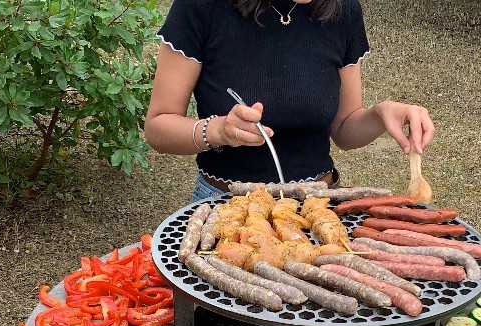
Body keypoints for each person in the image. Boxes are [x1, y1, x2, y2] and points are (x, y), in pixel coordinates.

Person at [144, 0, 436, 203]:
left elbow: (345, 130)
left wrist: (379, 114)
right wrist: (219, 131)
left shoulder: (342, 10)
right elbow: (158, 127)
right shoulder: (202, 8)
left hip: (320, 206)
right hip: (224, 204)